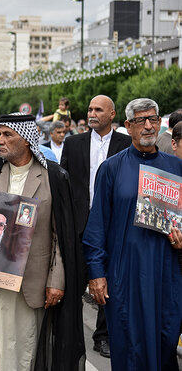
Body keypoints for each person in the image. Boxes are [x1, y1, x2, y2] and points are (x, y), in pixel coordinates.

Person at [0, 113, 84, 371]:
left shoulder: (53, 177)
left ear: (26, 139)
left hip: (31, 284)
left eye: (6, 135)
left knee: (23, 350)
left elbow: (62, 236)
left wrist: (56, 282)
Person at [83, 98, 182, 370]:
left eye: (153, 119)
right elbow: (97, 226)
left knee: (165, 341)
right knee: (129, 345)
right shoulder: (112, 168)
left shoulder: (175, 168)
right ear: (128, 126)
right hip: (124, 274)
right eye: (141, 120)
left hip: (165, 272)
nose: (148, 126)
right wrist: (96, 273)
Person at [60, 94, 132, 358]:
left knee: (107, 284)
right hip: (80, 225)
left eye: (98, 110)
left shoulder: (126, 143)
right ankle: (70, 337)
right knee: (74, 283)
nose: (92, 113)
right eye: (90, 109)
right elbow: (64, 183)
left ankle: (103, 336)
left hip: (113, 226)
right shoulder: (73, 143)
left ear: (112, 115)